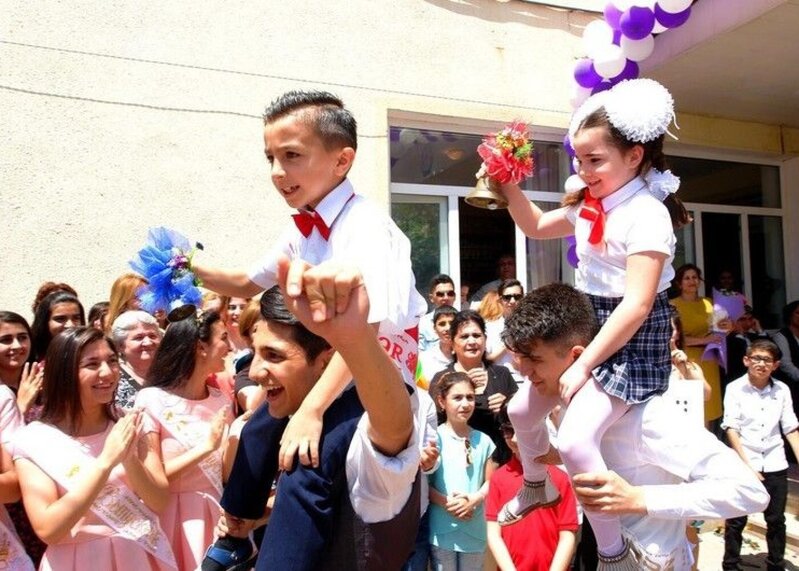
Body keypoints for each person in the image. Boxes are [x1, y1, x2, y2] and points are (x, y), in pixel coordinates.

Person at [193, 90, 426, 566]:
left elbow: (368, 334)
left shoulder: (366, 227)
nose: (278, 173)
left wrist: (312, 411)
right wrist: (186, 263)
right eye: (271, 158)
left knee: (304, 458)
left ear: (342, 160)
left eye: (292, 156)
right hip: (327, 372)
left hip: (374, 376)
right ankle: (235, 532)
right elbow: (242, 281)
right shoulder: (302, 226)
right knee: (259, 428)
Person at [495, 79, 689, 565]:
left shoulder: (647, 214)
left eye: (595, 160)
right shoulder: (589, 204)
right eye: (579, 161)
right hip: (583, 324)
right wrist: (507, 184)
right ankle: (537, 486)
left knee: (579, 440)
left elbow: (638, 305)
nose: (583, 170)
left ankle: (612, 552)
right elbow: (535, 226)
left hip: (626, 336)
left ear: (634, 156)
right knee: (520, 412)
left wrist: (583, 367)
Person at [502, 283, 769, 569]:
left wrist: (639, 498)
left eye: (534, 359)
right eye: (519, 358)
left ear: (577, 357)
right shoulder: (573, 413)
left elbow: (749, 491)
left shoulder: (648, 415)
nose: (523, 370)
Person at [207, 260, 421, 570]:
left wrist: (356, 337)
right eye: (255, 352)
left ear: (325, 360)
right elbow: (243, 278)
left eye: (274, 355)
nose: (253, 371)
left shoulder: (362, 431)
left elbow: (394, 423)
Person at [11, 327, 173, 570]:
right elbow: (49, 529)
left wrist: (129, 459)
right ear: (63, 373)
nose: (107, 373)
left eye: (111, 361)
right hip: (77, 560)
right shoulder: (32, 440)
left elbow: (159, 500)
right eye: (92, 364)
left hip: (138, 555)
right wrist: (105, 462)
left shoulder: (129, 422)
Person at [135, 311, 233, 570]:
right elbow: (151, 477)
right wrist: (205, 448)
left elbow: (226, 470)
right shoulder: (151, 400)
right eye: (223, 338)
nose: (230, 346)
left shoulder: (221, 399)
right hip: (173, 519)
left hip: (219, 515)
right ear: (201, 347)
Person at [721, 339, 799, 571]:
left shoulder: (782, 390)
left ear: (775, 365)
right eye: (757, 358)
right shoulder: (734, 388)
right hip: (745, 461)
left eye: (767, 360)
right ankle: (731, 565)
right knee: (736, 519)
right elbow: (732, 428)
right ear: (747, 360)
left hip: (775, 461)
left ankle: (775, 564)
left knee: (776, 520)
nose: (761, 364)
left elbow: (790, 428)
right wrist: (747, 466)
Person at [485, 409, 578, 571]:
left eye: (519, 430)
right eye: (508, 430)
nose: (514, 438)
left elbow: (567, 534)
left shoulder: (560, 478)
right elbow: (493, 534)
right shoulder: (498, 479)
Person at [427, 372, 496, 570]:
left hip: (474, 527)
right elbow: (425, 484)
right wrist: (447, 503)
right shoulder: (434, 438)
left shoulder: (484, 441)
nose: (465, 404)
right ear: (442, 401)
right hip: (442, 527)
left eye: (470, 397)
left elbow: (490, 481)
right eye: (457, 398)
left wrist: (474, 499)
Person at [429, 311, 517, 464]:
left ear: (485, 339)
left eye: (477, 335)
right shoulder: (442, 378)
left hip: (501, 462)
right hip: (456, 464)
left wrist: (507, 406)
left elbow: (523, 419)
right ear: (452, 343)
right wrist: (464, 386)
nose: (472, 341)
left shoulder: (501, 374)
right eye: (464, 337)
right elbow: (433, 422)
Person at [670, 263, 724, 427]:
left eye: (694, 277)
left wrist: (727, 327)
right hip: (685, 358)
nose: (691, 281)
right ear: (679, 283)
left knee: (707, 406)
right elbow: (674, 336)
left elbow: (721, 330)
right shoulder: (672, 305)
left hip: (708, 360)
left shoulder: (709, 303)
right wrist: (704, 340)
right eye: (687, 278)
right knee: (688, 406)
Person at [109, 311, 163, 410]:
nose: (148, 342)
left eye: (152, 336)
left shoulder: (172, 374)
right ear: (120, 346)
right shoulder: (112, 380)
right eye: (139, 338)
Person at [0, 311, 43, 416]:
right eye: (6, 340)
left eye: (22, 337)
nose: (17, 346)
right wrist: (21, 408)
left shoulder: (42, 379)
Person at [486, 279, 525, 385]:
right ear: (500, 300)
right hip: (499, 382)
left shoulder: (534, 325)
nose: (512, 301)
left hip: (526, 381)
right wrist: (506, 345)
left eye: (517, 297)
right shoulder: (490, 327)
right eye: (507, 297)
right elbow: (486, 360)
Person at [30, 291, 85, 363]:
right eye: (60, 319)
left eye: (76, 318)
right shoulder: (29, 358)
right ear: (44, 322)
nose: (70, 325)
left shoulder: (89, 353)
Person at [416, 305, 457, 390]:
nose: (447, 328)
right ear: (435, 329)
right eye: (442, 324)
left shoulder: (469, 356)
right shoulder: (423, 359)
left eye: (452, 323)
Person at [772, 300, 799, 414]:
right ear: (789, 316)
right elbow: (786, 365)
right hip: (792, 386)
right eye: (798, 313)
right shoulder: (781, 336)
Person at [418, 274, 457, 353]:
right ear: (431, 298)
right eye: (440, 294)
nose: (446, 298)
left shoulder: (464, 321)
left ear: (455, 296)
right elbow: (419, 355)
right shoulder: (422, 324)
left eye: (450, 294)